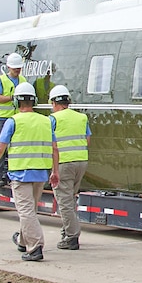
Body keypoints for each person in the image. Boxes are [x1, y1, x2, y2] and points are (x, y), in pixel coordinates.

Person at [0, 82, 59, 261]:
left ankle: (35, 246)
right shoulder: (46, 121)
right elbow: (55, 149)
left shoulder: (13, 121)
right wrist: (55, 171)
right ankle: (23, 242)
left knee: (25, 211)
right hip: (40, 173)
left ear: (16, 102)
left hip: (21, 173)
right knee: (30, 210)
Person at [48, 84, 88, 251]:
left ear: (54, 103)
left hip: (63, 163)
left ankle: (72, 236)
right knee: (71, 198)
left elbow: (52, 145)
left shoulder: (53, 119)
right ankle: (67, 231)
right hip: (81, 162)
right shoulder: (81, 118)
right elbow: (87, 140)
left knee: (64, 201)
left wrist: (53, 168)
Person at [0, 54, 27, 181]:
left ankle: (13, 174)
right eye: (15, 68)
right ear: (9, 67)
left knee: (16, 147)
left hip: (17, 119)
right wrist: (13, 98)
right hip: (1, 118)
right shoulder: (0, 80)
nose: (17, 70)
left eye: (19, 68)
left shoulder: (23, 80)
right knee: (0, 147)